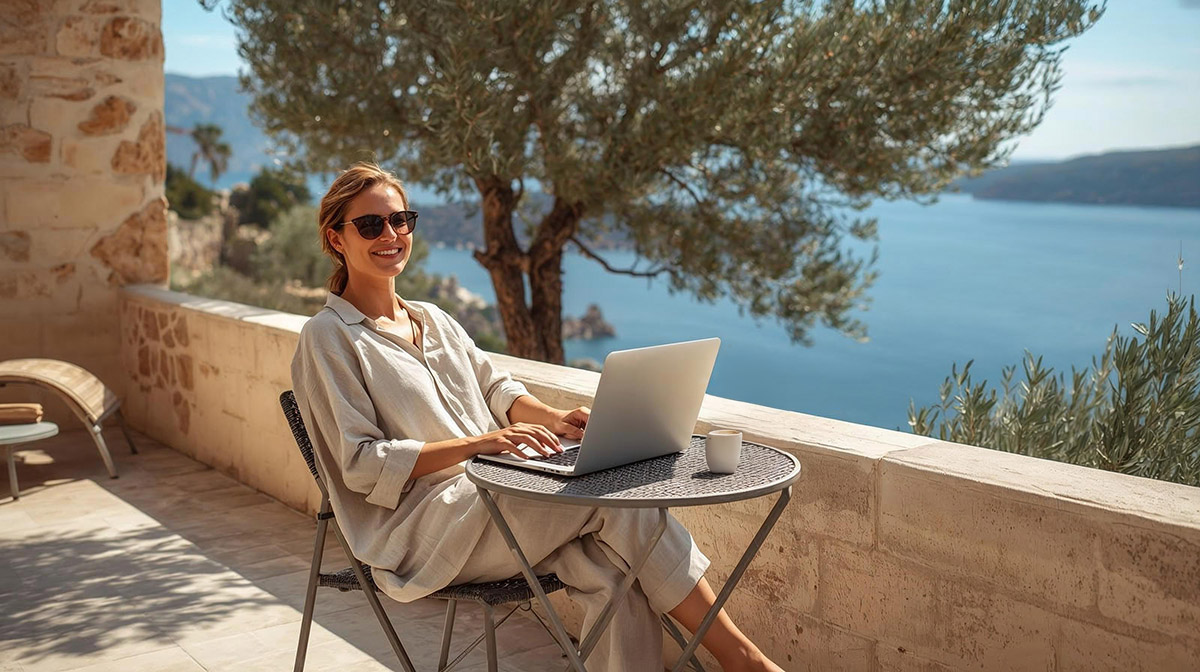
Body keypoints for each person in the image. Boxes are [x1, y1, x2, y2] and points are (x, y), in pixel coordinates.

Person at [290, 162, 785, 672]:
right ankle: (743, 659)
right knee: (613, 500)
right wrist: (480, 445)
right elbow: (361, 463)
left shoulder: (433, 319)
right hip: (423, 531)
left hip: (497, 499)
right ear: (337, 238)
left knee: (615, 571)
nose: (390, 235)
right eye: (370, 225)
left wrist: (553, 417)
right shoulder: (328, 337)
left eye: (401, 220)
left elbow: (495, 388)